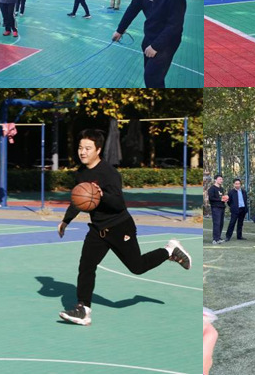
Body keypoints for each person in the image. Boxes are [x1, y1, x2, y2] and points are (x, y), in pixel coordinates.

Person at [57, 129, 191, 326]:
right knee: (86, 266)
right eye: (80, 148)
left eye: (87, 148)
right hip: (97, 230)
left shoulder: (109, 173)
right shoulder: (81, 173)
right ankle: (83, 309)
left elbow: (119, 204)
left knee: (137, 267)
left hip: (119, 227)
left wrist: (102, 195)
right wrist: (66, 220)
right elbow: (79, 199)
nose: (82, 152)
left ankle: (170, 250)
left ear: (98, 150)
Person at [113, 0, 186, 89]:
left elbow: (174, 26)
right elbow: (133, 8)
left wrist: (156, 46)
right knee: (150, 76)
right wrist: (120, 30)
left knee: (152, 78)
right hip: (149, 36)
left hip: (166, 42)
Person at [208, 175, 228, 244]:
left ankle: (218, 238)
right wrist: (220, 199)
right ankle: (215, 239)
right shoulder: (212, 189)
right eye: (219, 179)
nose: (221, 180)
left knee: (221, 223)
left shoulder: (221, 189)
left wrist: (225, 199)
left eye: (222, 179)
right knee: (217, 223)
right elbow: (211, 198)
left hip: (222, 207)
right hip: (215, 208)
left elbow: (222, 197)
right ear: (215, 180)